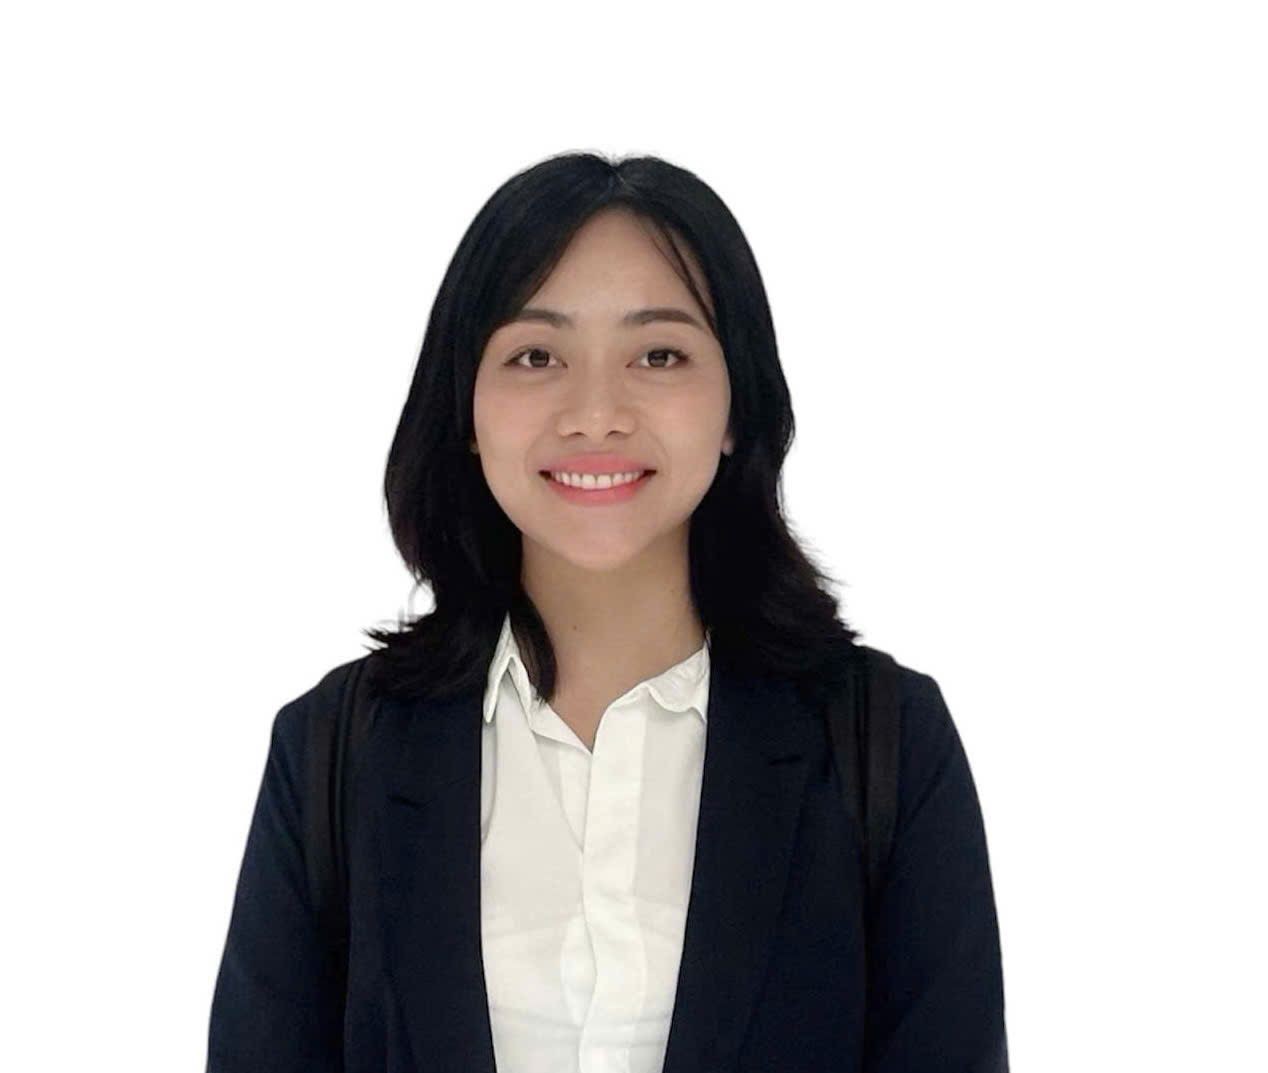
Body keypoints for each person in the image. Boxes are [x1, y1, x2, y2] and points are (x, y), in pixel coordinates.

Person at [206, 151, 1008, 1072]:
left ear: (736, 403)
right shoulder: (334, 752)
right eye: (535, 355)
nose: (596, 413)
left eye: (658, 353)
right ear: (466, 408)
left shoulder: (885, 745)